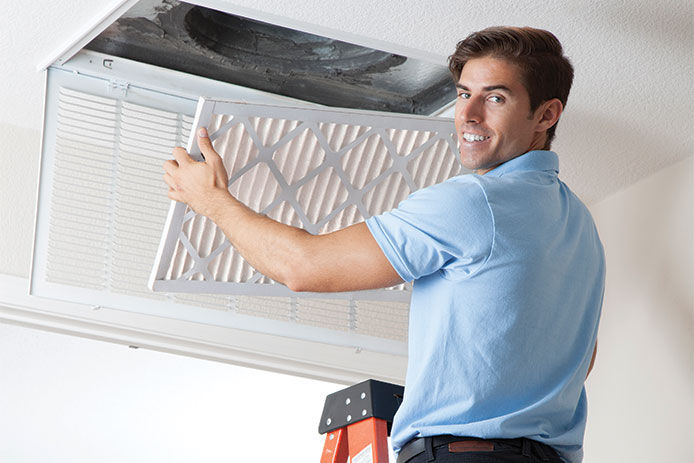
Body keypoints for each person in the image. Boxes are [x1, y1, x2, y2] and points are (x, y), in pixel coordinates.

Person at [162, 26, 604, 463]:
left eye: (495, 98)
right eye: (463, 93)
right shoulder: (581, 227)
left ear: (546, 115)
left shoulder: (473, 202)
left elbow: (303, 267)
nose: (468, 115)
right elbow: (580, 360)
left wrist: (211, 201)